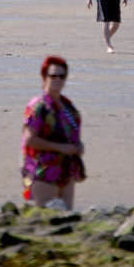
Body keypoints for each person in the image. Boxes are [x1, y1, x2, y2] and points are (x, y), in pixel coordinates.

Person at [21, 56, 85, 210]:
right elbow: (30, 139)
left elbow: (71, 134)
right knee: (45, 221)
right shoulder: (39, 106)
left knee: (67, 222)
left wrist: (78, 146)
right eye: (53, 75)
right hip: (44, 171)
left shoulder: (68, 107)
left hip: (67, 171)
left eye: (62, 76)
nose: (58, 79)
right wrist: (60, 148)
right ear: (44, 77)